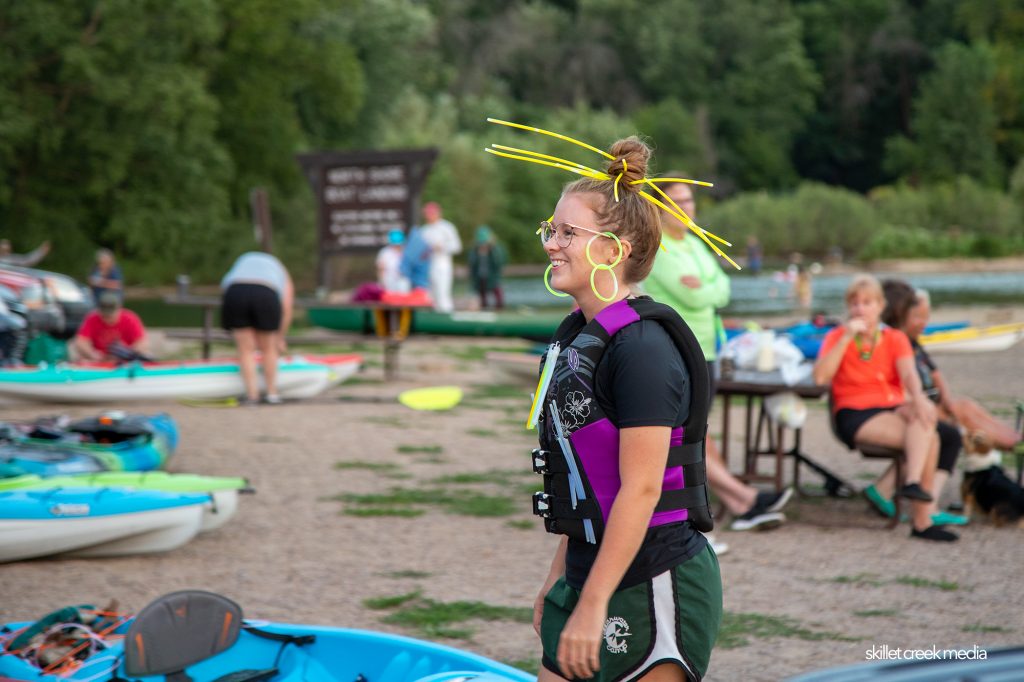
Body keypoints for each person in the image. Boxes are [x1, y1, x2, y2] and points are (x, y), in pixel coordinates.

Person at [518, 137, 721, 682]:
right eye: (551, 229)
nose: (551, 244)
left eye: (567, 233)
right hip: (588, 568)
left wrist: (593, 604)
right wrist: (560, 580)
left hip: (653, 575)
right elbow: (585, 477)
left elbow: (642, 489)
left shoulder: (643, 351)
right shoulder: (578, 340)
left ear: (614, 250)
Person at [643, 175, 791, 535]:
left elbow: (724, 290)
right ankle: (740, 500)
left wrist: (707, 286)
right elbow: (695, 297)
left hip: (707, 348)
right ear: (660, 210)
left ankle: (735, 501)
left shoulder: (696, 244)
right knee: (688, 434)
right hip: (676, 348)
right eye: (677, 202)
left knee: (698, 433)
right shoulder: (658, 247)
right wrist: (707, 287)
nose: (687, 208)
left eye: (690, 201)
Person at [813, 275, 958, 542]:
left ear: (880, 306)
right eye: (855, 303)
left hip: (891, 406)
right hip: (855, 412)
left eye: (867, 303)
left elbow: (909, 373)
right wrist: (846, 337)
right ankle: (921, 518)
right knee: (930, 436)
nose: (860, 309)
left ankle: (916, 495)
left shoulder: (894, 338)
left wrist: (918, 397)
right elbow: (821, 377)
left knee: (924, 418)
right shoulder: (837, 336)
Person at [891, 282, 1020, 451]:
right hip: (918, 407)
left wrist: (947, 399)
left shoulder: (914, 343)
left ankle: (1015, 438)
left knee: (967, 405)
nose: (923, 323)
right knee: (964, 413)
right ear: (901, 317)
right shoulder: (898, 344)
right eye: (917, 317)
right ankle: (1012, 444)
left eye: (926, 317)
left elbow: (935, 373)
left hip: (933, 401)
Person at [220, 251, 294, 405]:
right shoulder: (280, 269)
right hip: (265, 292)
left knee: (246, 349)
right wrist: (280, 338)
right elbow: (286, 307)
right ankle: (272, 394)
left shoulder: (242, 259)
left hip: (235, 291)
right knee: (268, 348)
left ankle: (252, 396)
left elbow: (224, 287)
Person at [71, 292, 149, 362]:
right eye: (104, 315)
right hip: (99, 362)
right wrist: (93, 355)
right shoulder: (92, 318)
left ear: (119, 308)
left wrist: (129, 353)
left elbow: (142, 343)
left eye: (110, 315)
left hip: (125, 362)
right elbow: (80, 342)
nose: (107, 319)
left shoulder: (131, 318)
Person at [419, 202, 462, 312]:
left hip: (442, 264)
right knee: (429, 295)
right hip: (427, 266)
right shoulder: (423, 230)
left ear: (438, 213)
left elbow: (457, 247)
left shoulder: (447, 227)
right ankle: (431, 321)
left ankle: (446, 319)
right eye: (427, 214)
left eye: (432, 214)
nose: (429, 216)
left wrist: (442, 247)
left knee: (443, 294)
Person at [468, 225, 507, 309]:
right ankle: (484, 311)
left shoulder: (495, 250)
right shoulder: (474, 251)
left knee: (498, 297)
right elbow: (472, 265)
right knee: (483, 299)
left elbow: (498, 262)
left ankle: (500, 310)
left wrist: (491, 249)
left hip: (492, 277)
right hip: (480, 277)